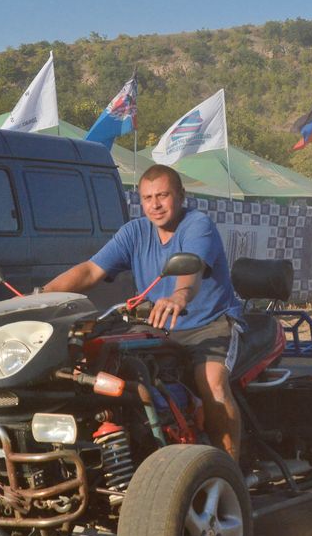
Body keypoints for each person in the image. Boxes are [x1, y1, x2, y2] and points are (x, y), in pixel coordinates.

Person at [43, 164, 244, 460]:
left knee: (212, 383)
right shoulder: (135, 232)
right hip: (158, 325)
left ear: (181, 195)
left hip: (209, 324)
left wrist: (179, 296)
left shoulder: (197, 225)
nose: (155, 205)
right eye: (148, 198)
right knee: (98, 363)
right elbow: (89, 271)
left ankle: (228, 468)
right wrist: (43, 297)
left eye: (163, 195)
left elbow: (192, 268)